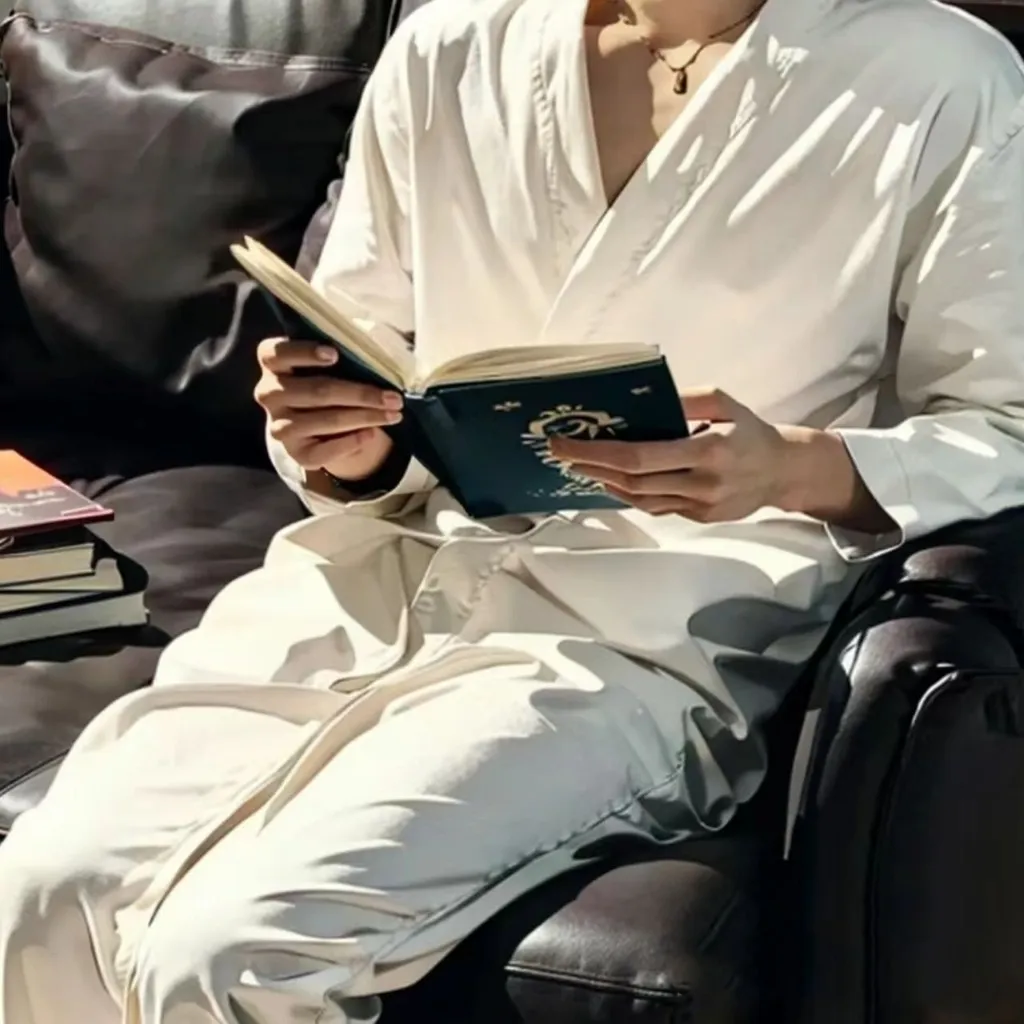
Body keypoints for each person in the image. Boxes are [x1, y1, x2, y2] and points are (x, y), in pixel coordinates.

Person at [4, 0, 1024, 1020]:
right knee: (40, 892)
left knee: (235, 950)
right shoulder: (451, 44)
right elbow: (367, 353)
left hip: (651, 635)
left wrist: (791, 468)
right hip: (367, 583)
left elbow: (1007, 427)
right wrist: (349, 447)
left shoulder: (937, 76)